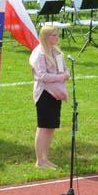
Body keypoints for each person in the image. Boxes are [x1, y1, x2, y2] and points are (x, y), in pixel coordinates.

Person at [29, 24, 70, 169]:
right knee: (43, 127)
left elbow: (64, 71)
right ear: (46, 37)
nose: (57, 37)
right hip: (44, 94)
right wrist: (61, 77)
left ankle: (45, 158)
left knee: (51, 127)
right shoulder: (39, 54)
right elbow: (42, 76)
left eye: (57, 34)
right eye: (54, 35)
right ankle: (39, 161)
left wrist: (65, 75)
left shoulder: (57, 52)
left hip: (55, 93)